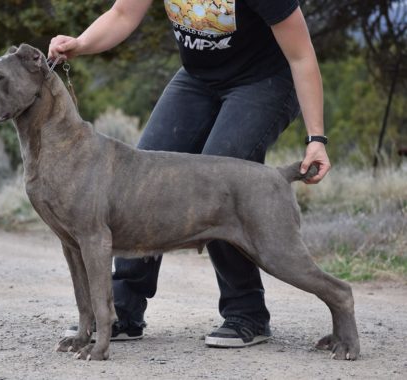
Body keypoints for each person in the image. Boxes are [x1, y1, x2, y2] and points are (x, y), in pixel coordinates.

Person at [48, 0, 331, 348]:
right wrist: (81, 43)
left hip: (265, 80)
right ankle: (122, 309)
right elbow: (122, 14)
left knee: (219, 181)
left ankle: (247, 313)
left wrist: (316, 138)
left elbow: (302, 57)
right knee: (143, 176)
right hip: (199, 78)